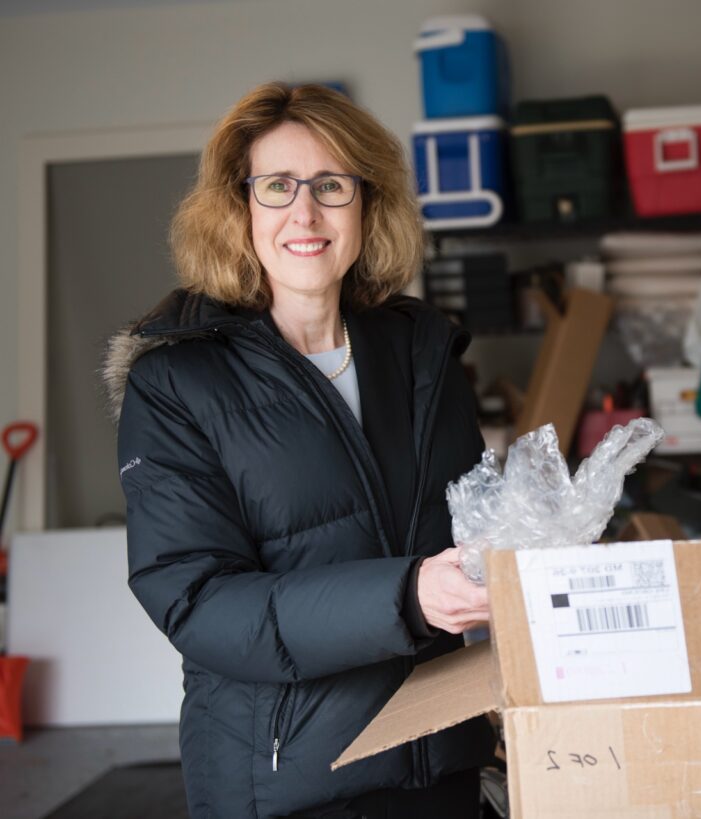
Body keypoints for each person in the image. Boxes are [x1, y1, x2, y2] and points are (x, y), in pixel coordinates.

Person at [103, 82, 496, 818]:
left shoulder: (420, 350)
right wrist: (406, 595)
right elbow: (198, 599)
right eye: (277, 186)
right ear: (239, 206)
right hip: (291, 784)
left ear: (368, 203)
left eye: (331, 185)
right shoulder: (177, 380)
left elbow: (470, 518)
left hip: (442, 759)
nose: (304, 213)